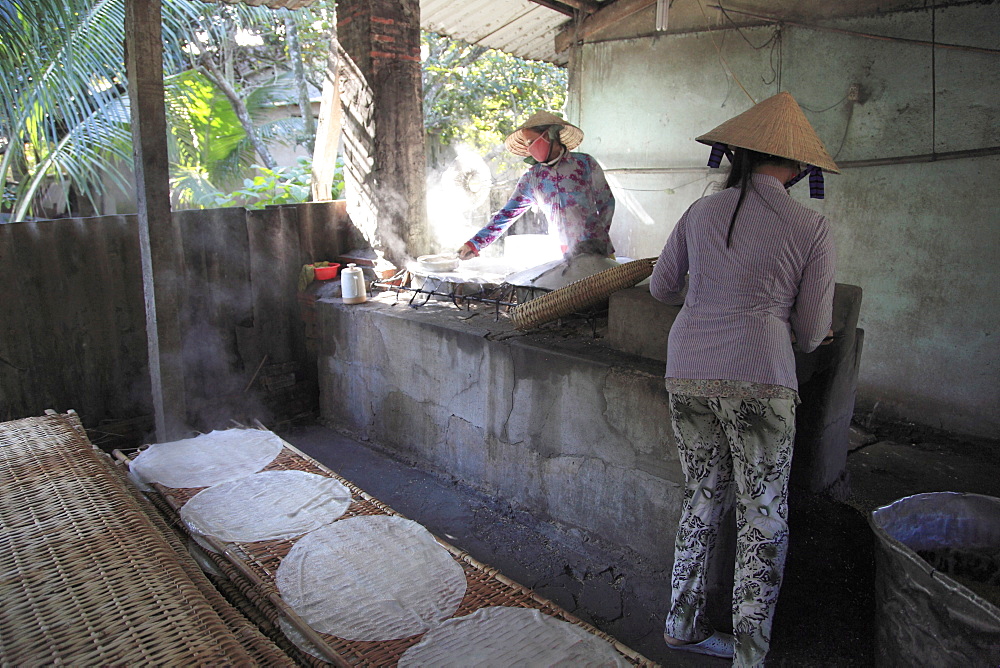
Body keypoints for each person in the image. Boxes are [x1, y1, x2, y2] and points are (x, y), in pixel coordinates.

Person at [649, 91, 839, 667]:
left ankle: (680, 625)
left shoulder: (699, 212)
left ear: (737, 155)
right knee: (763, 515)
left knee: (701, 500)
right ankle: (751, 655)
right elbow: (810, 334)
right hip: (762, 381)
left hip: (689, 372)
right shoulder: (811, 227)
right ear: (799, 168)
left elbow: (660, 288)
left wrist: (712, 294)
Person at [457, 111, 615, 261]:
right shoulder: (532, 178)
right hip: (564, 255)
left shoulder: (585, 164)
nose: (529, 149)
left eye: (532, 142)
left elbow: (607, 202)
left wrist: (598, 236)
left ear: (549, 135)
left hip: (598, 251)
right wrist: (475, 244)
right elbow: (506, 215)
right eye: (527, 145)